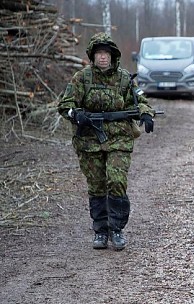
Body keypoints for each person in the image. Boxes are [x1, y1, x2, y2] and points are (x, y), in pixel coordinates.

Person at [57, 32, 155, 251]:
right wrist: (76, 114)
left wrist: (146, 114)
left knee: (116, 180)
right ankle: (101, 231)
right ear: (93, 56)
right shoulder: (82, 78)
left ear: (113, 56)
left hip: (119, 137)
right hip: (89, 140)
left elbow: (141, 100)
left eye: (107, 53)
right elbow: (65, 104)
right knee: (97, 185)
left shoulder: (124, 78)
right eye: (99, 53)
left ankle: (117, 229)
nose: (103, 57)